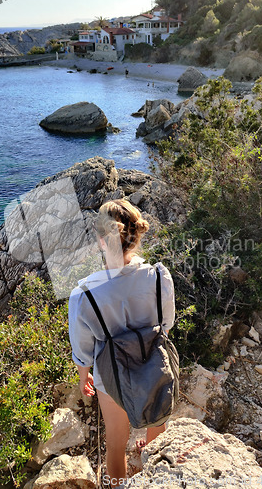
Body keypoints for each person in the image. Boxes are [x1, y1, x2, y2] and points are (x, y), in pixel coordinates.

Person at [68, 199, 175, 488]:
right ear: (137, 236)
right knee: (157, 426)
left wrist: (83, 377)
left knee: (115, 444)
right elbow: (166, 324)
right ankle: (152, 477)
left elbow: (83, 350)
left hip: (109, 375)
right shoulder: (158, 277)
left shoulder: (84, 294)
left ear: (102, 241)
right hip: (154, 364)